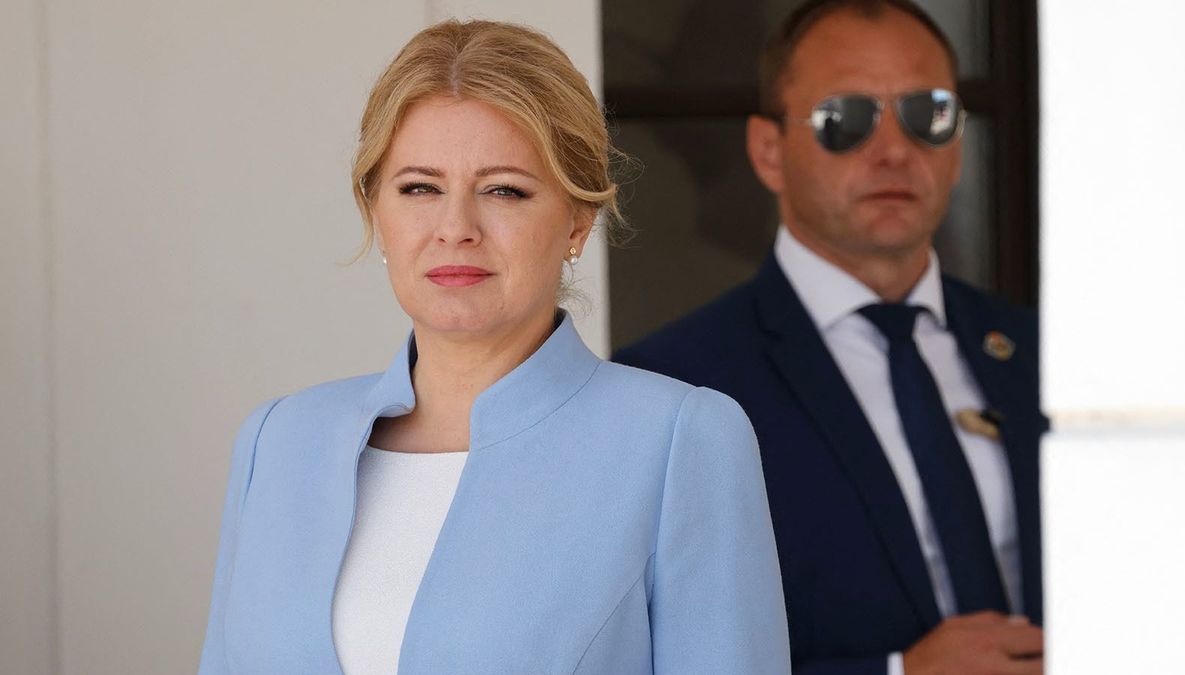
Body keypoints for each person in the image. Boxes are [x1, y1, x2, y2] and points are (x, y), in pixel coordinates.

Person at [198, 19, 789, 675]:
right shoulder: (278, 442)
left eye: (504, 188)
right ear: (376, 210)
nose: (455, 228)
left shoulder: (680, 439)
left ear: (577, 218)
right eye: (419, 187)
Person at [614, 1, 1048, 674]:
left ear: (958, 142)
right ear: (767, 151)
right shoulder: (671, 388)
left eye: (926, 114)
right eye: (844, 120)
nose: (894, 149)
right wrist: (897, 672)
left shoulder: (1043, 354)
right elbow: (650, 657)